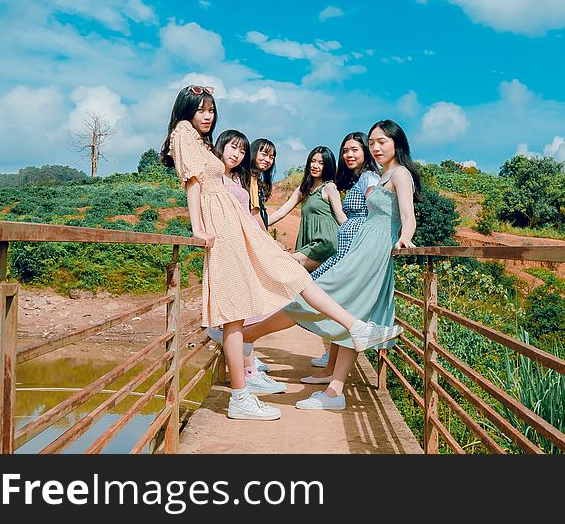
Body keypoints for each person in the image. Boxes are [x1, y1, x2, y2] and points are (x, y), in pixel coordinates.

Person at [160, 85, 402, 420]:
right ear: (186, 109)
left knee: (262, 293)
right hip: (221, 224)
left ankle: (244, 392)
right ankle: (242, 395)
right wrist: (197, 227)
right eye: (201, 109)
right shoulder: (183, 132)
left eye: (211, 110)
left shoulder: (196, 138)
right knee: (239, 306)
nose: (207, 116)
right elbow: (193, 183)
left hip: (233, 221)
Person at [227, 119, 420, 411]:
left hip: (372, 253)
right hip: (361, 248)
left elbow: (408, 214)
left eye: (382, 142)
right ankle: (335, 391)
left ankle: (247, 337)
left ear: (397, 143)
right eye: (372, 143)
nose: (376, 148)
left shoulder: (401, 174)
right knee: (350, 315)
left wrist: (404, 238)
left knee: (315, 295)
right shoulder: (383, 175)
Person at [306, 132, 381, 377]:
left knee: (316, 290)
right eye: (345, 151)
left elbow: (376, 202)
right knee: (340, 304)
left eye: (355, 150)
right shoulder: (355, 180)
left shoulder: (370, 176)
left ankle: (249, 337)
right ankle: (330, 368)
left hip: (356, 251)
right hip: (348, 249)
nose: (348, 155)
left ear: (365, 152)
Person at [214, 129, 282, 389]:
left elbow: (253, 215)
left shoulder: (238, 178)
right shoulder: (217, 178)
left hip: (244, 245)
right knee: (245, 308)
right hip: (233, 247)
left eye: (242, 150)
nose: (237, 154)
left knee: (249, 309)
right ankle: (249, 373)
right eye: (233, 147)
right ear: (221, 147)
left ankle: (250, 369)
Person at [267, 146, 342, 272]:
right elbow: (281, 212)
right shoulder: (303, 190)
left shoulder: (329, 187)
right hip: (309, 243)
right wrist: (254, 225)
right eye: (313, 161)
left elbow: (340, 216)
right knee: (300, 279)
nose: (315, 165)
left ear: (328, 166)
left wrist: (358, 238)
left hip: (326, 243)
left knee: (287, 265)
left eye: (321, 163)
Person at [249, 138, 277, 232]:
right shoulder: (251, 177)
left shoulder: (256, 179)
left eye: (271, 157)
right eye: (264, 154)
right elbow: (254, 212)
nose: (267, 160)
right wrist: (266, 237)